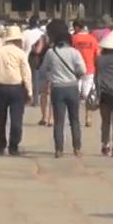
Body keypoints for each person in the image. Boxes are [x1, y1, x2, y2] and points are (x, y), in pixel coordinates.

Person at [37, 20, 87, 157]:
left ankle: (59, 149)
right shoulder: (75, 52)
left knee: (59, 121)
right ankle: (77, 148)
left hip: (57, 88)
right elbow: (83, 70)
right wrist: (75, 75)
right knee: (74, 119)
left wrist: (51, 75)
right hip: (72, 87)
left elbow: (42, 71)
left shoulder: (51, 53)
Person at [0, 25, 32, 156]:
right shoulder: (20, 53)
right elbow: (26, 74)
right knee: (16, 119)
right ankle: (14, 146)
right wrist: (29, 91)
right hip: (16, 88)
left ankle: (0, 146)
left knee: (0, 119)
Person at [70, 20, 99, 128]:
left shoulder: (74, 39)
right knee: (88, 96)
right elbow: (97, 54)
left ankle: (75, 117)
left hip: (76, 70)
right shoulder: (93, 39)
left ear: (77, 27)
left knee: (75, 95)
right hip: (90, 69)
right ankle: (88, 117)